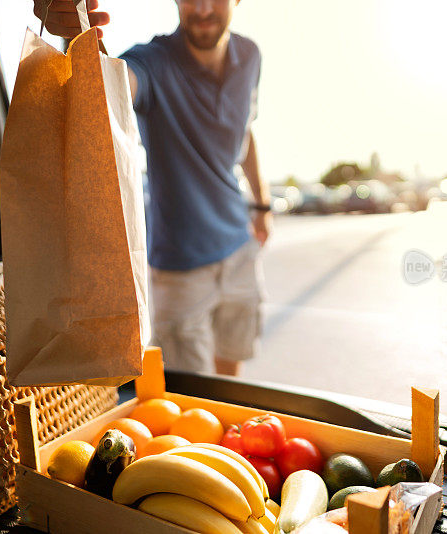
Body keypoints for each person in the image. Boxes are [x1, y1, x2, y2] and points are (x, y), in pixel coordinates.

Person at [35, 0, 271, 376]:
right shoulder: (154, 61)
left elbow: (246, 133)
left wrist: (262, 205)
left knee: (232, 376)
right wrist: (77, 37)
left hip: (240, 245)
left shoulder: (250, 55)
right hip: (180, 266)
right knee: (192, 395)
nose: (204, 8)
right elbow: (112, 85)